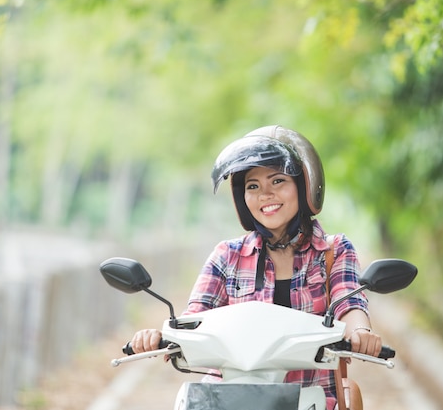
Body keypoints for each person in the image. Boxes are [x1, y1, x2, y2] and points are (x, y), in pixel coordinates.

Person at [130, 125, 383, 410]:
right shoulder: (227, 255)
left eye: (277, 181)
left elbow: (348, 302)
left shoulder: (333, 251)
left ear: (304, 185)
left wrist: (360, 333)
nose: (265, 194)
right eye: (253, 186)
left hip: (309, 399)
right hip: (226, 400)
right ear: (242, 197)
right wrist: (159, 336)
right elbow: (195, 318)